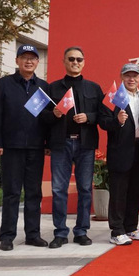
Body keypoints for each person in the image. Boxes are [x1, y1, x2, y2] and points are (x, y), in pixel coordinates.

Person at [43, 46, 103, 249]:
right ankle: (60, 232)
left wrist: (89, 117)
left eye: (79, 59)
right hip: (61, 144)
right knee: (59, 189)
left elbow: (103, 115)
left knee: (85, 189)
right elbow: (42, 117)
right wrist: (54, 114)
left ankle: (81, 231)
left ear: (84, 62)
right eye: (71, 59)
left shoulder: (93, 88)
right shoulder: (52, 88)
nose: (75, 62)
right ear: (64, 61)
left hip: (86, 144)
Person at [0, 45, 49, 251]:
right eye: (24, 57)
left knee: (34, 193)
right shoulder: (4, 84)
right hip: (11, 147)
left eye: (33, 58)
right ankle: (7, 236)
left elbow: (47, 119)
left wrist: (48, 144)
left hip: (35, 147)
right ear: (17, 61)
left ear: (37, 62)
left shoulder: (43, 86)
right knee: (11, 192)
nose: (29, 61)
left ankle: (33, 234)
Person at [98, 63, 139, 246]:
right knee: (119, 192)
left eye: (135, 76)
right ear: (122, 77)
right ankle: (117, 231)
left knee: (136, 190)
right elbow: (102, 121)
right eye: (128, 76)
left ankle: (131, 227)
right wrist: (117, 121)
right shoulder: (113, 97)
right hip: (120, 150)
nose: (131, 79)